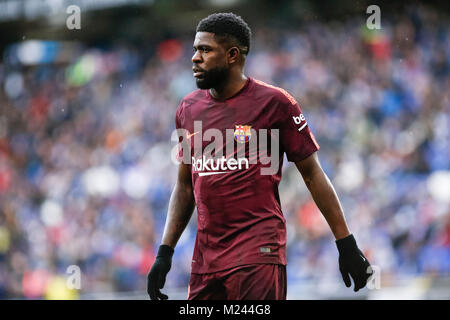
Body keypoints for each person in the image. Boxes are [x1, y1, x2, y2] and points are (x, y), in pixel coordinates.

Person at [147, 12, 372, 300]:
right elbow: (185, 185)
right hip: (205, 260)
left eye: (204, 50)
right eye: (195, 50)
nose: (195, 58)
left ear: (231, 55)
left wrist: (346, 243)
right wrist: (165, 252)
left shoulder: (276, 103)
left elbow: (312, 173)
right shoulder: (187, 109)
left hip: (258, 253)